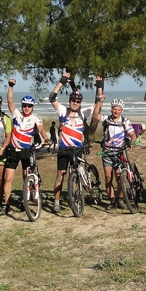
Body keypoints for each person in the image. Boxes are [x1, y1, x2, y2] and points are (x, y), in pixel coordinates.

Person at [50, 71, 103, 213]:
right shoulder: (63, 111)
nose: (75, 103)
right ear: (70, 101)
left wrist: (99, 86)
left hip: (77, 148)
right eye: (73, 100)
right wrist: (62, 81)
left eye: (78, 101)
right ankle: (56, 201)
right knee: (60, 173)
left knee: (75, 173)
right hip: (63, 148)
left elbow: (98, 103)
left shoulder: (83, 113)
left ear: (80, 103)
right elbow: (52, 97)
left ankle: (74, 197)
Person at [0, 79, 47, 216]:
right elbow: (9, 101)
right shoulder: (17, 115)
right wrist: (10, 87)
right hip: (13, 151)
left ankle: (24, 200)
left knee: (26, 177)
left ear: (33, 107)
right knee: (8, 178)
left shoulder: (36, 118)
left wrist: (46, 138)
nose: (26, 108)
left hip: (27, 152)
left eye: (29, 106)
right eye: (25, 105)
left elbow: (42, 129)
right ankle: (6, 204)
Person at [99, 97, 137, 209]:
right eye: (114, 109)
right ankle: (111, 201)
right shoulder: (106, 119)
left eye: (119, 109)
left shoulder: (125, 121)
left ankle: (120, 199)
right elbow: (96, 115)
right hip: (107, 152)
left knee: (119, 177)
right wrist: (99, 101)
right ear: (111, 109)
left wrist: (132, 142)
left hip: (119, 152)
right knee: (107, 177)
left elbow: (133, 135)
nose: (116, 111)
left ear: (122, 110)